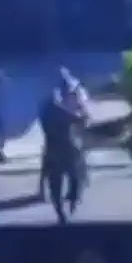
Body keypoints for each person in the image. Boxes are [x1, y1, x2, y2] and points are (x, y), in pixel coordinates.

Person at [38, 84, 87, 223]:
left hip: (51, 151)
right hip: (67, 150)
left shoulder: (44, 112)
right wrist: (81, 110)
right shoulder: (59, 110)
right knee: (75, 177)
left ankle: (60, 212)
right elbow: (80, 120)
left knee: (55, 185)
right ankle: (72, 201)